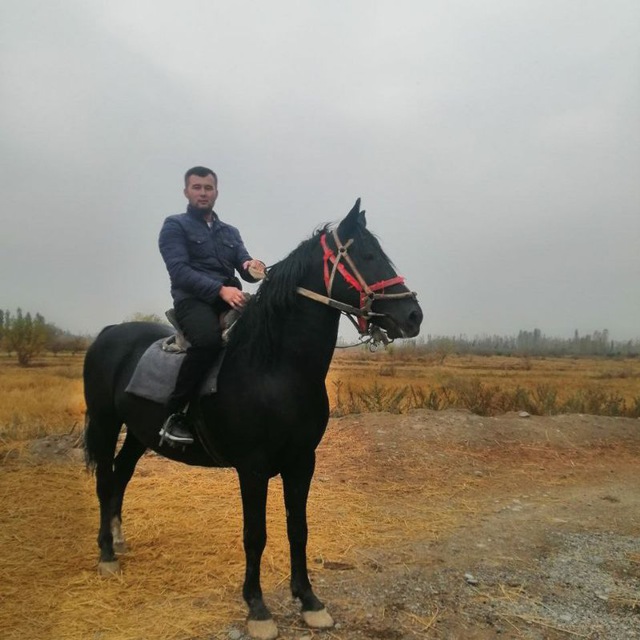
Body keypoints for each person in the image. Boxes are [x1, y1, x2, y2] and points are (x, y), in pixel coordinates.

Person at [158, 166, 265, 445]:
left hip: (231, 295)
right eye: (197, 187)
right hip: (193, 300)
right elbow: (179, 271)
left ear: (216, 192)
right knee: (207, 342)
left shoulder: (230, 232)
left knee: (267, 330)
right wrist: (219, 290)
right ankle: (176, 414)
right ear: (186, 192)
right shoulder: (174, 226)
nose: (203, 193)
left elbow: (243, 263)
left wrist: (253, 266)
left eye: (208, 188)